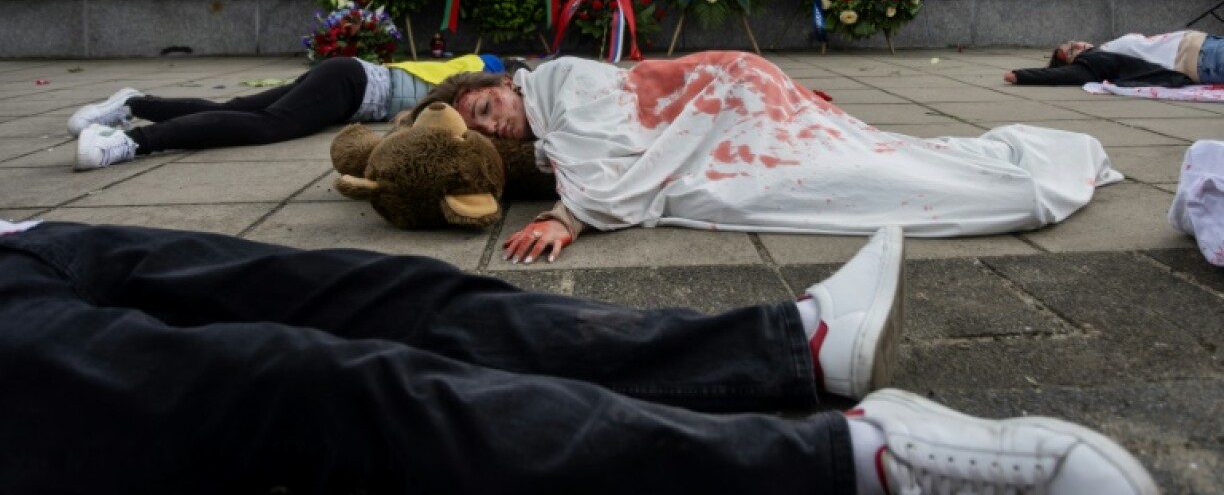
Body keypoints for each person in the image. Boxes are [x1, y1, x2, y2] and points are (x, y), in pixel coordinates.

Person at [0, 218, 1157, 494]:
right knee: (300, 384)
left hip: (33, 247)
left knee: (386, 288)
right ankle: (835, 463)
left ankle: (792, 345)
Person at [415, 51, 1121, 263]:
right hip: (716, 135)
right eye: (483, 131)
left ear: (499, 84)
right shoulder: (548, 128)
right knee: (855, 173)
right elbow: (618, 154)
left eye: (486, 109)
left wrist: (569, 217)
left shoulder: (558, 82)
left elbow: (604, 145)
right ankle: (1004, 174)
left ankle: (1025, 174)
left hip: (734, 104)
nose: (496, 126)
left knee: (859, 177)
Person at [69, 53, 523, 171]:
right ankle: (130, 143)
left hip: (346, 79)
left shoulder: (480, 78)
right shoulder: (478, 70)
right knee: (269, 126)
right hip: (352, 84)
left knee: (238, 107)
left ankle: (133, 104)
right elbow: (434, 101)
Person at [1004, 30, 1222, 87]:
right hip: (1199, 58)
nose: (1077, 45)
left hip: (1203, 43)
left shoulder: (1104, 49)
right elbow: (1062, 75)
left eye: (1072, 43)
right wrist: (1021, 76)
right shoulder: (1095, 62)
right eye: (1071, 52)